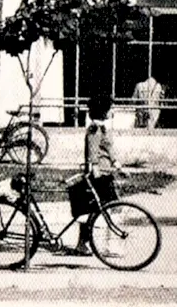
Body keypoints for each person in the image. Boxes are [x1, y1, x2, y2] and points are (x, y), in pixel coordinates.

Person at [75, 94, 120, 256]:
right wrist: (95, 172)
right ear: (104, 110)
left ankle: (84, 243)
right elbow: (93, 152)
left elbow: (108, 149)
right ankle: (110, 245)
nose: (112, 111)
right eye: (110, 108)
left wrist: (116, 163)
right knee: (109, 208)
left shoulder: (102, 128)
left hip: (105, 172)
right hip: (100, 174)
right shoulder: (94, 129)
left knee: (96, 210)